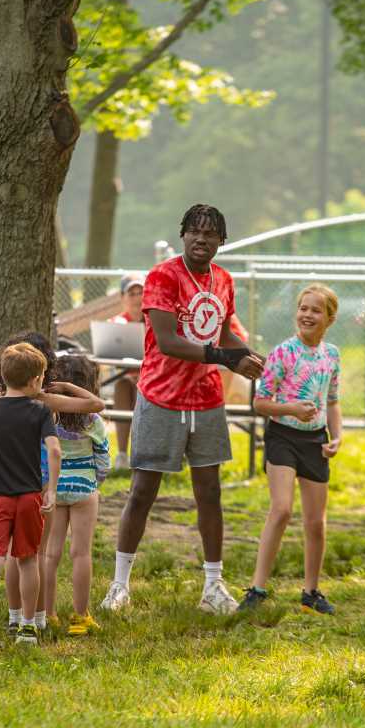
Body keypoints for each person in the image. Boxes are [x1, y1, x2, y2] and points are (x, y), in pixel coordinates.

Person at [100, 204, 264, 615]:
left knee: (210, 492)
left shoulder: (224, 280)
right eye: (194, 231)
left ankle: (213, 586)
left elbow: (222, 329)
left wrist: (247, 355)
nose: (201, 239)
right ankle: (119, 585)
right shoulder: (163, 277)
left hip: (207, 398)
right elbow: (168, 340)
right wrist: (225, 358)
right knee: (142, 491)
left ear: (221, 242)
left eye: (210, 234)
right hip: (161, 396)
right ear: (183, 235)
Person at [0, 331, 103, 636]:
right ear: (42, 371)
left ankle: (16, 613)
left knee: (16, 555)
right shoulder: (45, 400)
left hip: (15, 484)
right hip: (40, 484)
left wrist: (5, 384)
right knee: (32, 553)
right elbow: (95, 405)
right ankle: (38, 618)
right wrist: (68, 387)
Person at [239, 285, 343, 615]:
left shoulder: (332, 355)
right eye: (303, 308)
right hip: (282, 438)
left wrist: (336, 436)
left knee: (316, 521)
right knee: (281, 509)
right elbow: (260, 402)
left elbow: (333, 401)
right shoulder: (284, 352)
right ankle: (257, 589)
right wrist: (292, 411)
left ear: (329, 318)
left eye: (315, 310)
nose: (307, 315)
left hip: (315, 441)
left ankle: (311, 591)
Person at [0, 343, 61, 645]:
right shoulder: (41, 410)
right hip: (30, 496)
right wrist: (51, 489)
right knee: (28, 560)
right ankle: (27, 625)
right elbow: (55, 450)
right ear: (36, 380)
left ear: (3, 378)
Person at [41, 354, 110, 636]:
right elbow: (103, 460)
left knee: (50, 553)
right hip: (84, 489)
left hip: (54, 488)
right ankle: (80, 616)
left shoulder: (48, 416)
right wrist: (95, 483)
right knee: (81, 553)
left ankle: (48, 613)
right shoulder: (93, 420)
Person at [109, 274, 145, 470]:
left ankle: (142, 453)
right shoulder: (116, 322)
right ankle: (123, 455)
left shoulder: (156, 320)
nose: (137, 297)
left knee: (141, 388)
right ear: (123, 297)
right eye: (132, 293)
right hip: (124, 377)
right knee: (122, 386)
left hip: (151, 379)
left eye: (141, 292)